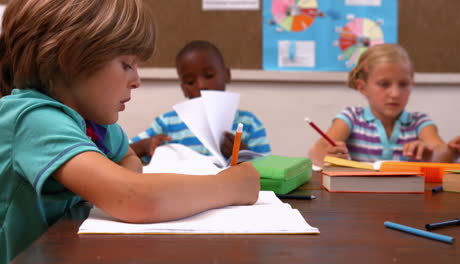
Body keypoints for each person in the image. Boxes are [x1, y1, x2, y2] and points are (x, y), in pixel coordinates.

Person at [0, 1, 260, 263]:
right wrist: (228, 186)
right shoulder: (32, 118)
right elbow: (135, 198)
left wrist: (112, 187)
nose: (136, 80)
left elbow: (128, 160)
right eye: (127, 64)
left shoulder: (93, 123)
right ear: (69, 59)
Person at [309, 43, 453, 167]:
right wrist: (329, 156)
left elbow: (444, 152)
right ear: (362, 87)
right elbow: (316, 151)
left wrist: (431, 153)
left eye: (404, 84)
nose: (395, 93)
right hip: (358, 197)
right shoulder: (351, 118)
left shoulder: (419, 121)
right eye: (384, 84)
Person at [130, 40, 271, 163]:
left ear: (227, 75)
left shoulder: (249, 124)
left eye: (209, 75)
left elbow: (270, 171)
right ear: (183, 89)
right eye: (190, 81)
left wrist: (243, 154)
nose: (201, 85)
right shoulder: (167, 123)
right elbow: (121, 153)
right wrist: (145, 145)